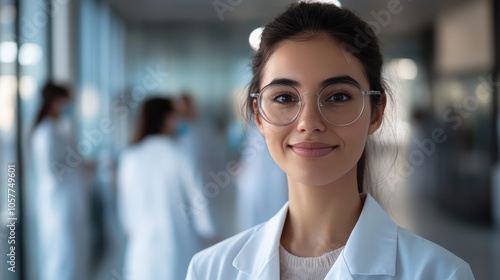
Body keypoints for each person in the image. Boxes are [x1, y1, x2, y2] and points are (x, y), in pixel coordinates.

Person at [186, 2, 475, 279]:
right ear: (259, 117)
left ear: (376, 113)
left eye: (338, 96)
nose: (308, 123)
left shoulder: (440, 273)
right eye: (284, 97)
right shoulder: (210, 271)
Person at [117, 97, 216, 280]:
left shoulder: (129, 157)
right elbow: (200, 203)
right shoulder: (181, 153)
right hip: (179, 249)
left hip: (141, 254)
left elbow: (126, 211)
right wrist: (211, 235)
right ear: (168, 119)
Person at [31, 82, 90, 280]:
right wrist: (75, 167)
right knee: (62, 258)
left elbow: (71, 163)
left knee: (70, 258)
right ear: (56, 102)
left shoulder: (58, 129)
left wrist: (82, 165)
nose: (70, 105)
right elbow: (51, 171)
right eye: (67, 101)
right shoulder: (46, 132)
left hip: (68, 204)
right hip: (58, 207)